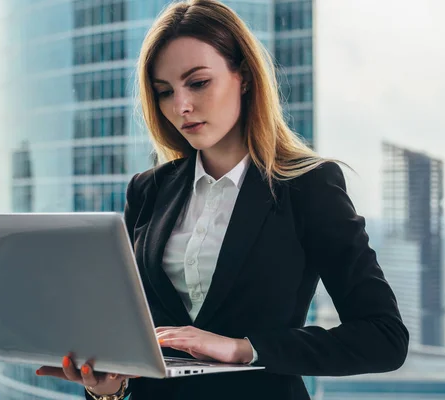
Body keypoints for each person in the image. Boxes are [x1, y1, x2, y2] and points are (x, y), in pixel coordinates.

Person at [36, 0, 409, 398]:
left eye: (198, 83)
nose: (181, 106)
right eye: (164, 92)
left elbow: (384, 337)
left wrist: (243, 349)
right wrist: (108, 387)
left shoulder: (308, 186)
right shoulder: (147, 191)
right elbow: (132, 334)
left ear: (244, 77)